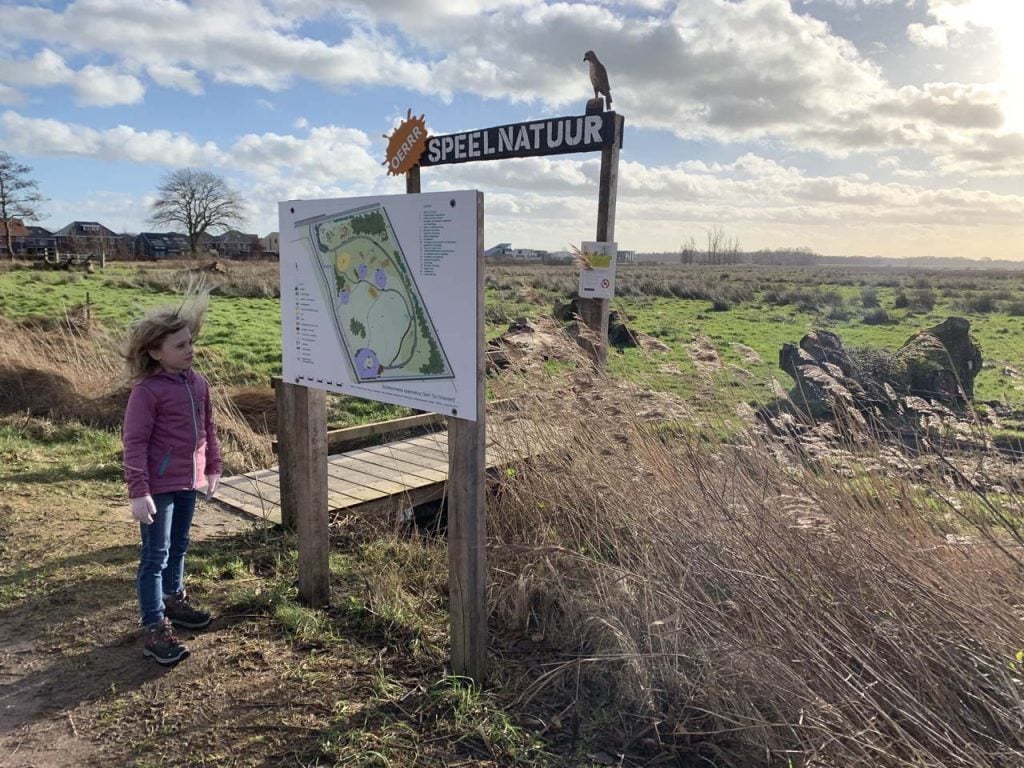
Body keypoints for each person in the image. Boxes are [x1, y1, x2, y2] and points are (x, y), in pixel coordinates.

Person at [122, 291, 222, 665]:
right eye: (180, 345)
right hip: (158, 486)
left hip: (187, 481)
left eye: (191, 342)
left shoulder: (198, 383)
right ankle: (154, 626)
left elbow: (209, 429)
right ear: (155, 352)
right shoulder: (147, 392)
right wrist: (138, 492)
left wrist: (213, 467)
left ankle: (173, 599)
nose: (190, 350)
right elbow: (134, 442)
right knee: (155, 555)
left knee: (179, 545)